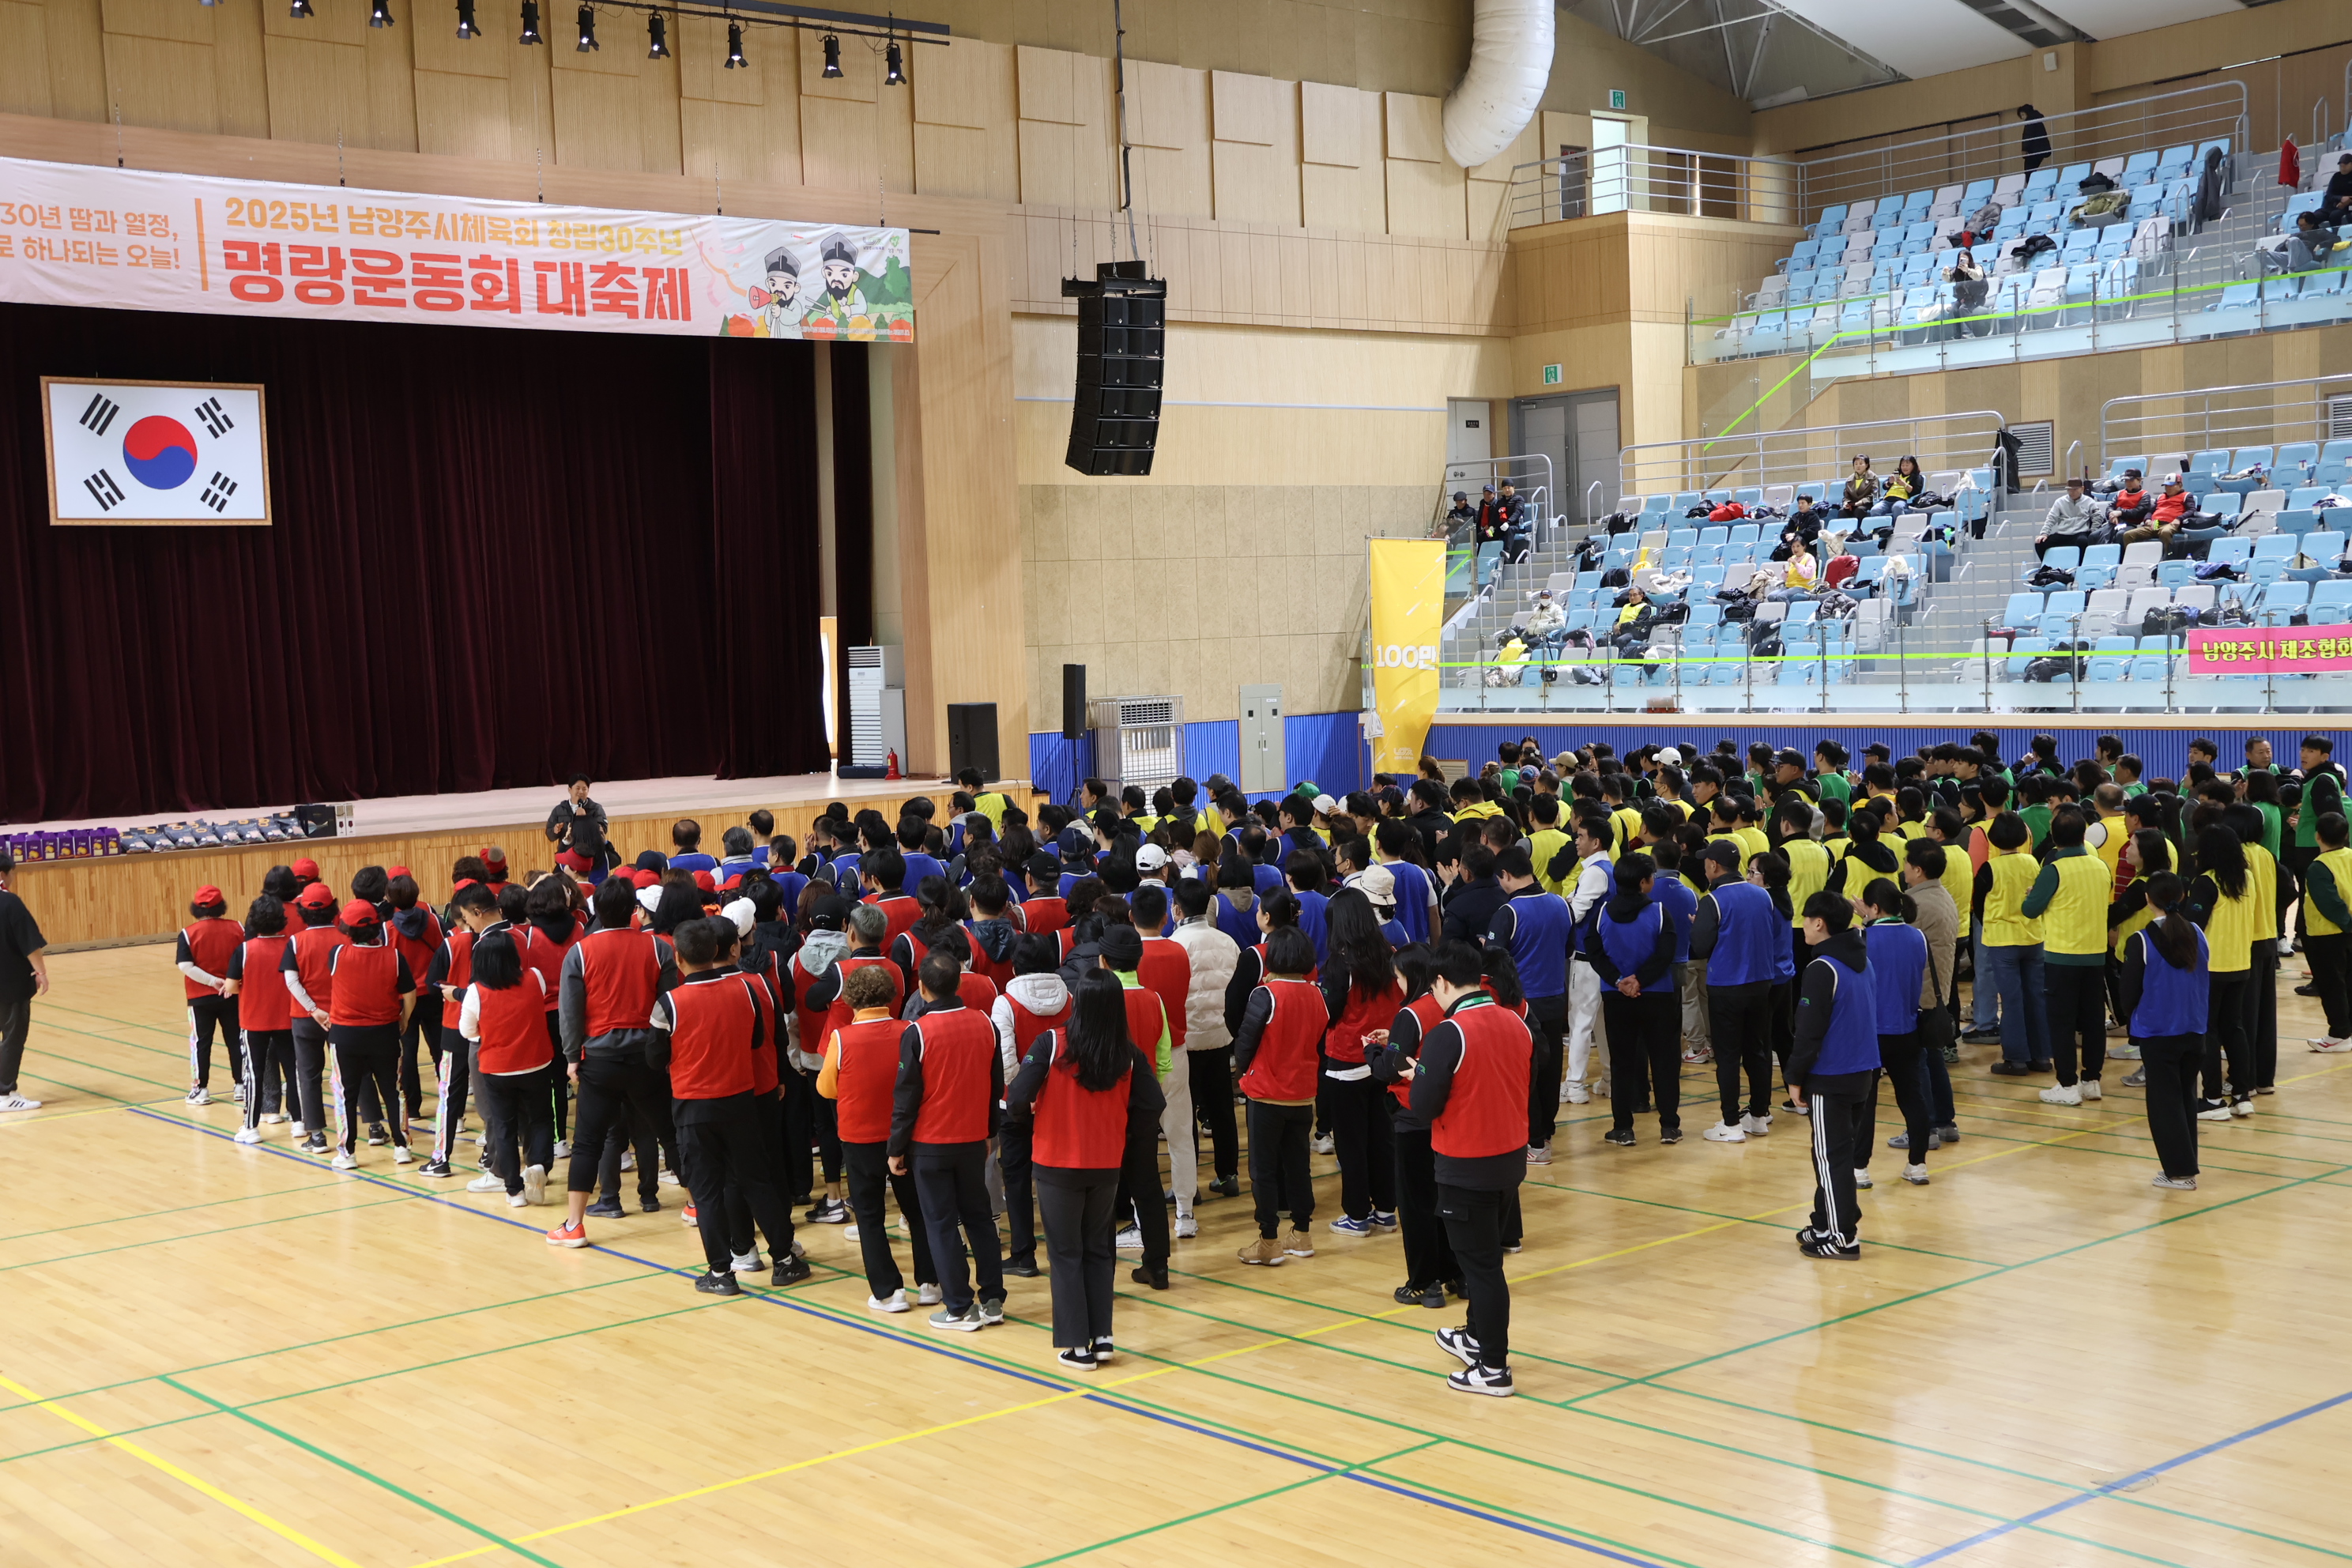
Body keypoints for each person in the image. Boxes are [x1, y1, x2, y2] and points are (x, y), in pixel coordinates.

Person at [1002, 967, 1164, 1370]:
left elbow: (1017, 1097)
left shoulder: (1051, 1043)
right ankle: (1102, 1337)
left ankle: (1077, 1346)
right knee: (1098, 1251)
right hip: (1106, 1164)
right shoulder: (1128, 1054)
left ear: (1078, 1002)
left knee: (1065, 1253)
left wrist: (1032, 1120)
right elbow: (1153, 1105)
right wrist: (1123, 1133)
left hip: (1057, 1164)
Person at [650, 918, 808, 1295]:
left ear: (678, 957)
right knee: (757, 1181)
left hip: (693, 1109)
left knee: (708, 1192)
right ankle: (785, 1261)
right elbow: (757, 1040)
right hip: (740, 1101)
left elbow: (655, 1059)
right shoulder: (746, 990)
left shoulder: (669, 1003)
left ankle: (722, 1273)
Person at [1404, 940, 1531, 1397]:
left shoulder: (1449, 1033)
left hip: (1466, 1164)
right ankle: (1476, 1337)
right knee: (1485, 1258)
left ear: (1440, 982)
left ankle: (1494, 1367)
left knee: (1481, 1268)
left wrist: (1417, 1074)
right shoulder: (1516, 1022)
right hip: (1509, 1158)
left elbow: (1423, 1106)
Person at [545, 876, 679, 1247]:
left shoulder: (580, 952)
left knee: (588, 1142)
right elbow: (670, 1007)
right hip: (647, 1057)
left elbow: (570, 1012)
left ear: (597, 911)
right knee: (669, 1133)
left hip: (599, 1060)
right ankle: (697, 1203)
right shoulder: (658, 949)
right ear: (634, 910)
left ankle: (574, 1225)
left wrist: (572, 1057)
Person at [888, 951, 1006, 1330]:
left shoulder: (917, 1032)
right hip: (973, 1140)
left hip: (931, 1145)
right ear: (958, 984)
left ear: (922, 988)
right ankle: (993, 1300)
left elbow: (906, 1098)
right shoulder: (986, 1024)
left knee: (940, 1224)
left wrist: (895, 1148)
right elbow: (995, 1088)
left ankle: (959, 1307)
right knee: (979, 1219)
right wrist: (989, 1133)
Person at [820, 961, 940, 1311]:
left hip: (859, 1139)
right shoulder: (910, 1030)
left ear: (850, 999)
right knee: (918, 1211)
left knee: (870, 1215)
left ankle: (889, 1292)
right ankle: (930, 1282)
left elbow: (826, 1088)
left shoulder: (841, 1038)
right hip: (906, 1137)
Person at [1788, 892, 1879, 1261]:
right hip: (1862, 1071)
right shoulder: (1862, 961)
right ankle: (1825, 1223)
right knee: (1834, 1155)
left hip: (1831, 1075)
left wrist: (1795, 1076)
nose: (1803, 926)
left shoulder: (1822, 969)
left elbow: (1808, 1030)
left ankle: (1843, 1238)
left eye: (1805, 920)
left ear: (1819, 923)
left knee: (1830, 1159)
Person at [1232, 925, 1323, 1265]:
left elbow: (1245, 1042)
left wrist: (1241, 1072)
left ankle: (1269, 1239)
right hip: (1303, 1094)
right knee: (1299, 1166)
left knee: (1264, 1170)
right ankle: (1302, 1233)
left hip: (1267, 1093)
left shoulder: (1266, 994)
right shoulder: (1317, 995)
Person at [1320, 888, 1404, 1234]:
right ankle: (1385, 1210)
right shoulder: (1390, 953)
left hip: (1347, 1061)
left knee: (1351, 1143)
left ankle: (1357, 1215)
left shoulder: (1341, 963)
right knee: (1382, 1138)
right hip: (1384, 1058)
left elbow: (1329, 1012)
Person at [2119, 872, 2210, 1190]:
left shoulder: (2141, 941)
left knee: (2164, 1104)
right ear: (2183, 896)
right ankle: (2186, 1166)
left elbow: (2128, 991)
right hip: (2194, 1027)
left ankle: (2180, 1173)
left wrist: (2133, 1018)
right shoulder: (2197, 932)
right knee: (2185, 1098)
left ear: (2148, 899)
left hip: (2159, 1031)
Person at [1584, 850, 1679, 1147]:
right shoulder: (1659, 912)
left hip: (1616, 997)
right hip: (1657, 995)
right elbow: (1665, 954)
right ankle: (1669, 1126)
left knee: (1622, 1062)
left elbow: (1595, 953)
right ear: (1644, 882)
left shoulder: (1601, 913)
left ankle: (1623, 1128)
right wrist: (1641, 980)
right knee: (1663, 1061)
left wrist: (1619, 980)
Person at [460, 929, 555, 1208]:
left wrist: (490, 1032)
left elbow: (467, 1031)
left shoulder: (475, 992)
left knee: (504, 1127)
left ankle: (514, 1191)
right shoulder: (535, 977)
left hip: (498, 1068)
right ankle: (539, 1165)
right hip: (537, 1063)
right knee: (540, 1119)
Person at [1691, 841, 1777, 1141]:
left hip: (1727, 986)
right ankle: (1759, 1116)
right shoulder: (1763, 895)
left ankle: (1730, 1123)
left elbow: (1700, 946)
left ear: (1714, 865)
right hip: (1761, 983)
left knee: (1728, 1056)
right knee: (1757, 1051)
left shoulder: (1712, 900)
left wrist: (1699, 926)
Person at [323, 900, 417, 1170]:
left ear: (347, 929)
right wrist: (404, 1019)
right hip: (385, 1033)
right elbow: (409, 993)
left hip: (346, 1035)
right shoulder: (394, 956)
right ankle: (402, 1147)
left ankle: (347, 1152)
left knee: (346, 1094)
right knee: (393, 1091)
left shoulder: (337, 954)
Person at [1168, 876, 1242, 1197]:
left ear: (1176, 909)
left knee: (1186, 1114)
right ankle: (1228, 1175)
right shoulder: (1228, 942)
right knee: (1223, 1108)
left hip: (1187, 1041)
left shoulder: (1175, 946)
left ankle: (1189, 1189)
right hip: (1221, 1037)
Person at [1857, 880, 1933, 1187]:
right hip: (1907, 1028)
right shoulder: (1918, 937)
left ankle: (1860, 1167)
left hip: (1870, 1032)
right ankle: (1918, 1164)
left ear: (1874, 908)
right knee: (1913, 1098)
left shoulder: (1863, 938)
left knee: (1865, 1101)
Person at [2185, 825, 2258, 1119]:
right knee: (2234, 1028)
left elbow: (2193, 926)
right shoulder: (2247, 877)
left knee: (2209, 1032)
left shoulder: (2205, 882)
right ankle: (2242, 1094)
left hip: (2211, 967)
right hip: (2241, 963)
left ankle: (2213, 1098)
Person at [1977, 812, 2050, 1077]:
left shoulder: (1990, 868)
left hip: (2002, 940)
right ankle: (2041, 1056)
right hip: (2033, 936)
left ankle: (2016, 1058)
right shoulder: (2033, 862)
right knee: (2036, 997)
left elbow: (1978, 904)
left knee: (2011, 1000)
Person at [226, 895, 295, 1144]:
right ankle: (299, 1122)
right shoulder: (292, 945)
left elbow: (231, 987)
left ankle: (251, 1127)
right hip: (288, 1017)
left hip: (254, 1020)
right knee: (294, 1070)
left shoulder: (244, 950)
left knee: (253, 1074)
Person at [175, 884, 244, 1107]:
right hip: (233, 994)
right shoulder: (237, 928)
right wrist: (230, 982)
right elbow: (246, 958)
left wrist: (213, 982)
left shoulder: (188, 933)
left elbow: (186, 966)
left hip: (200, 998)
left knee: (201, 1043)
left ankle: (200, 1090)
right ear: (221, 905)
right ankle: (241, 1085)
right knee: (236, 1040)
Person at [2303, 812, 2352, 1051]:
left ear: (2318, 836)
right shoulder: (2350, 856)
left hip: (2328, 934)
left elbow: (2330, 904)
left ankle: (2340, 1033)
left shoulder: (2319, 867)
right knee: (2348, 982)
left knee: (2331, 985)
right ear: (2346, 835)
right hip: (2347, 932)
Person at [545, 775, 608, 859]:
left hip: (590, 856)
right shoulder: (559, 810)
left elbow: (603, 830)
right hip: (567, 856)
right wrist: (555, 831)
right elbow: (550, 835)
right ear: (570, 789)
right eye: (578, 788)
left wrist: (585, 818)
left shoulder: (596, 808)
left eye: (584, 789)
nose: (581, 792)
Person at [2036, 477, 2098, 558]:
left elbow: (2097, 517)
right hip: (2062, 534)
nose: (2072, 492)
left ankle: (2080, 564)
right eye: (2069, 490)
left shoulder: (2089, 502)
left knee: (2084, 542)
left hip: (2080, 532)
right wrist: (2044, 533)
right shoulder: (2060, 502)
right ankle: (2048, 565)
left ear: (2082, 489)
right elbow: (2051, 518)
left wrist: (2092, 532)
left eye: (2075, 489)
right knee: (2040, 543)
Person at [1837, 456, 1877, 521]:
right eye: (1856, 464)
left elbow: (1875, 494)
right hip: (1853, 504)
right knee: (1842, 511)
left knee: (1859, 510)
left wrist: (1861, 502)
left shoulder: (1873, 477)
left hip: (1866, 504)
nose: (1858, 466)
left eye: (1861, 463)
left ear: (1867, 465)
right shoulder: (1849, 479)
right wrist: (1846, 503)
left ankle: (1860, 527)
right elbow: (1846, 496)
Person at [2017, 104, 2051, 173]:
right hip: (2041, 149)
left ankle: (2030, 180)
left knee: (2028, 171)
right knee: (2031, 170)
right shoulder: (2037, 120)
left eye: (2023, 115)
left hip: (2034, 150)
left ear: (2027, 113)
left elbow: (2028, 135)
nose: (2022, 118)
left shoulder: (2030, 121)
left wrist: (2024, 149)